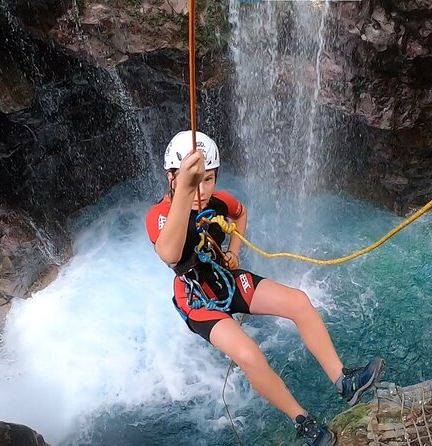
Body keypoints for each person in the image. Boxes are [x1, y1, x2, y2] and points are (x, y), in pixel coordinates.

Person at [145, 130, 384, 445]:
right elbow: (170, 253)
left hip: (225, 281)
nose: (203, 189)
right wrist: (186, 192)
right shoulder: (160, 217)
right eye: (194, 180)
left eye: (209, 179)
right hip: (197, 300)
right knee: (249, 354)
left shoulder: (217, 202)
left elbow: (240, 212)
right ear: (172, 178)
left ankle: (344, 381)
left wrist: (234, 252)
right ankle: (303, 421)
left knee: (298, 302)